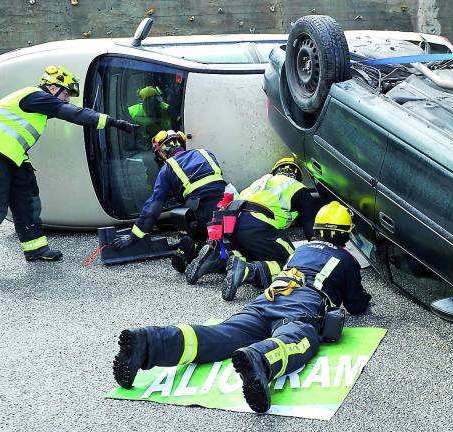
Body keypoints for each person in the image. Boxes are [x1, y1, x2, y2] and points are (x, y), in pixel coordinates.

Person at [112, 201, 371, 413]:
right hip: (301, 306)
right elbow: (357, 304)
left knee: (219, 336)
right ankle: (259, 359)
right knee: (299, 340)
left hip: (266, 300)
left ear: (316, 229)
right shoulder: (346, 259)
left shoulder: (299, 252)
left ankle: (149, 342)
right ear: (345, 234)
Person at [0, 65, 139, 278]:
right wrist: (114, 122)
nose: (67, 99)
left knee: (27, 200)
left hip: (11, 155)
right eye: (66, 93)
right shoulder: (35, 96)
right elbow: (74, 113)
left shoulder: (40, 105)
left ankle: (35, 248)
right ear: (51, 86)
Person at [185, 156, 320, 301]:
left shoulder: (260, 182)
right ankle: (248, 272)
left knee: (254, 257)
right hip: (258, 225)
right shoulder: (297, 187)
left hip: (233, 224)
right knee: (295, 265)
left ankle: (215, 259)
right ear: (297, 175)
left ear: (275, 170)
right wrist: (317, 247)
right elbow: (309, 222)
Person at [111, 130, 226, 272]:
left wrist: (134, 236)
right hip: (228, 206)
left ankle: (196, 243)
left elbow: (153, 206)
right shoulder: (205, 153)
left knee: (183, 213)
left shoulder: (168, 168)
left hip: (202, 215)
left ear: (163, 153)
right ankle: (212, 243)